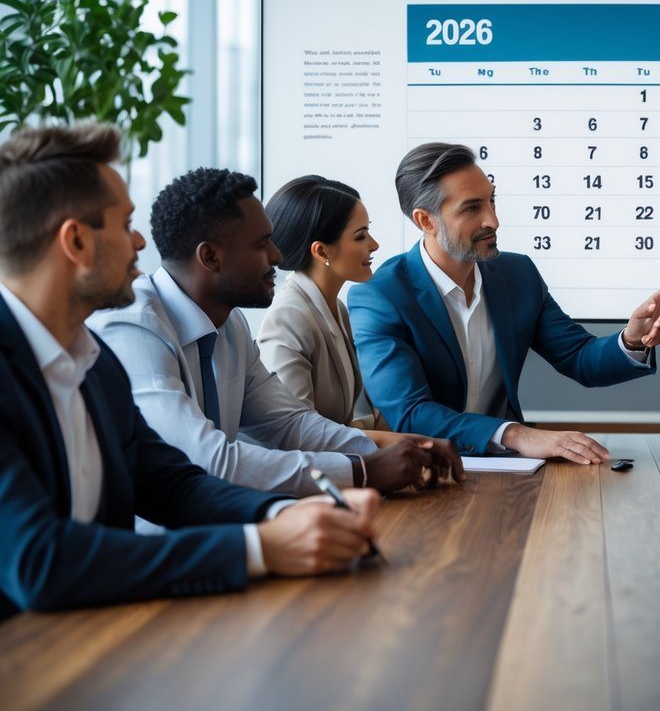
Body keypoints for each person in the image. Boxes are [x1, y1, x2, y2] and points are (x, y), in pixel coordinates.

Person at [0, 124, 380, 620]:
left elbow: (173, 484)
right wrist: (260, 547)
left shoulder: (95, 363)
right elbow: (39, 561)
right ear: (76, 241)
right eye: (124, 224)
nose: (140, 241)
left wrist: (287, 514)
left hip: (106, 644)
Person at [89, 168, 463, 495]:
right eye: (261, 244)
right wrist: (363, 470)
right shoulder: (133, 326)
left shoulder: (230, 323)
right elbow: (206, 460)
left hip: (227, 521)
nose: (279, 257)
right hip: (158, 548)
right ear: (210, 257)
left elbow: (289, 423)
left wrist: (403, 449)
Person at [349, 142, 660, 464]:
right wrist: (515, 434)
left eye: (492, 201)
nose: (493, 221)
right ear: (426, 221)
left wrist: (632, 339)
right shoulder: (380, 296)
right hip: (422, 472)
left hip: (508, 470)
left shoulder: (518, 274)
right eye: (472, 208)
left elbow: (579, 358)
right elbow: (409, 414)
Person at [259, 176, 392, 437]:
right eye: (361, 236)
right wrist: (403, 442)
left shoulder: (337, 309)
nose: (374, 245)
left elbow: (345, 421)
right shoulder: (289, 318)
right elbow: (297, 433)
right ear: (321, 252)